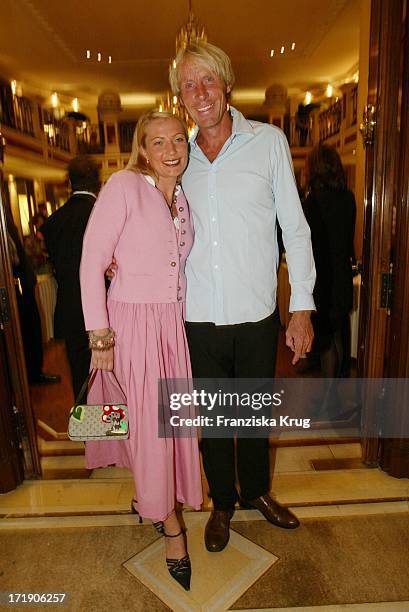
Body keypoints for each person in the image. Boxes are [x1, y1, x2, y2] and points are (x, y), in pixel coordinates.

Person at [169, 42, 316, 552]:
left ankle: (256, 492)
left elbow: (295, 230)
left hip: (257, 312)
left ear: (226, 83)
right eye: (189, 85)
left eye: (208, 80)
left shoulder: (269, 142)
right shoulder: (176, 157)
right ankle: (223, 502)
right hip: (198, 315)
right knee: (212, 418)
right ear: (180, 98)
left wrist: (302, 307)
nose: (200, 93)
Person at [80, 110, 202, 591]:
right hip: (130, 325)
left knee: (165, 427)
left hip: (170, 327)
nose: (171, 149)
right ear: (143, 149)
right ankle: (170, 526)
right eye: (159, 142)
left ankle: (147, 497)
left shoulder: (183, 201)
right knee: (150, 431)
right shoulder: (124, 186)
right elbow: (91, 261)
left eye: (178, 139)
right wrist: (100, 334)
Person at [41, 156, 101, 402]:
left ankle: (91, 435)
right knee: (108, 375)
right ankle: (114, 436)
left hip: (69, 309)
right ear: (98, 183)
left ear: (70, 183)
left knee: (80, 376)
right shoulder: (101, 214)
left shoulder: (53, 221)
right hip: (102, 308)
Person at [304, 144, 356, 378]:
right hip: (343, 276)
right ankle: (336, 393)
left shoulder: (312, 202)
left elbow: (309, 247)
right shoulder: (348, 198)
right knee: (339, 335)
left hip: (323, 280)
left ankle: (329, 400)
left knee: (326, 340)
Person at [5, 208, 59, 385]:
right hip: (16, 290)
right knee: (27, 333)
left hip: (24, 286)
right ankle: (30, 376)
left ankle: (34, 373)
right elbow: (15, 259)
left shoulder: (9, 227)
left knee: (32, 330)